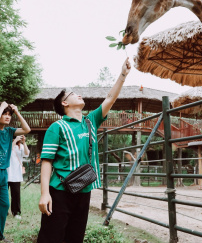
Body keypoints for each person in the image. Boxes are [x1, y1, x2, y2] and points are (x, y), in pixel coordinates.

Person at [37, 58, 131, 243]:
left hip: (84, 190)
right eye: (73, 93)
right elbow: (46, 161)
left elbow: (110, 98)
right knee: (51, 238)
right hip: (60, 191)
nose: (79, 94)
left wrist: (123, 75)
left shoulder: (91, 121)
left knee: (75, 238)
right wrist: (44, 193)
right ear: (64, 103)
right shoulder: (57, 128)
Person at [0, 102, 31, 242]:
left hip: (3, 173)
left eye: (8, 115)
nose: (7, 117)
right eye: (4, 114)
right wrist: (2, 106)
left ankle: (0, 235)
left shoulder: (9, 131)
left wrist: (17, 112)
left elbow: (26, 129)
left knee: (5, 204)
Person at [7, 135, 30, 219]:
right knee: (3, 194)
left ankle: (16, 212)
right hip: (6, 173)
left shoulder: (21, 146)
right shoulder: (7, 144)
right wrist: (14, 141)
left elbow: (27, 154)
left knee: (16, 194)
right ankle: (3, 211)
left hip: (16, 174)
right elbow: (7, 151)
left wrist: (24, 142)